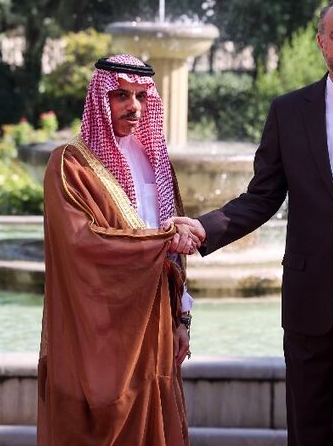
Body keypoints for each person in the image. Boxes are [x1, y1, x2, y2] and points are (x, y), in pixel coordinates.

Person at [175, 0, 333, 446]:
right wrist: (204, 228)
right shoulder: (288, 111)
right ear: (321, 43)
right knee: (306, 432)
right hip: (306, 297)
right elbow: (262, 197)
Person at [37, 54, 198, 445]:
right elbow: (82, 244)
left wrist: (183, 319)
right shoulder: (70, 165)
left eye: (141, 96)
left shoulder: (156, 162)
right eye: (121, 95)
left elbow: (174, 256)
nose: (134, 106)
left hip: (157, 322)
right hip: (98, 330)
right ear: (100, 99)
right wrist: (161, 240)